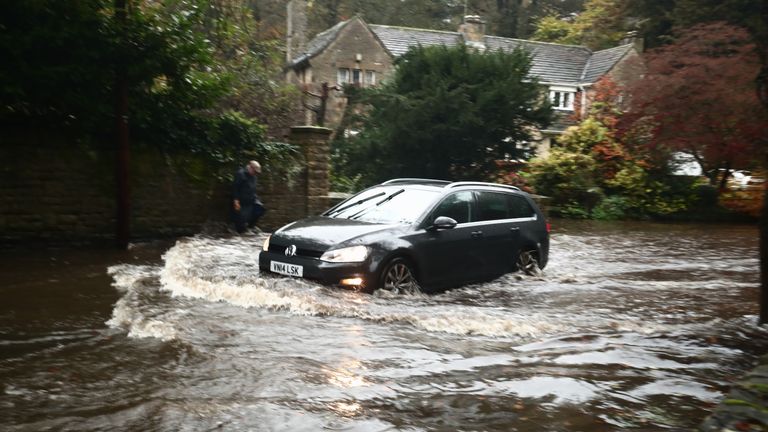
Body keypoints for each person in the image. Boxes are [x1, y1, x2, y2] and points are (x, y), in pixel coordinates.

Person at [232, 160, 266, 233]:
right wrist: (236, 201)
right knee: (241, 221)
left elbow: (253, 188)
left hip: (252, 199)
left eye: (257, 172)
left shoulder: (254, 176)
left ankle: (251, 226)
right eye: (255, 171)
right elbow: (235, 188)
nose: (256, 173)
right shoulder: (240, 174)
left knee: (260, 209)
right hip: (242, 201)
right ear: (250, 168)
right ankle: (241, 230)